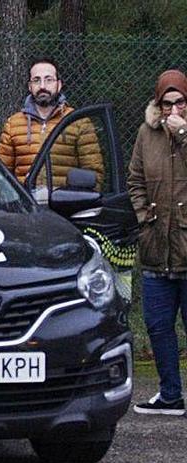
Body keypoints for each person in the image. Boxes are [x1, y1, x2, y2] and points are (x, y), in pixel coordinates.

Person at [128, 69, 187, 416]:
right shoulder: (145, 133)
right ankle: (169, 395)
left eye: (180, 102)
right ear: (158, 104)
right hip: (155, 248)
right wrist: (142, 216)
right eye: (167, 104)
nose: (173, 109)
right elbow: (135, 178)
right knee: (159, 326)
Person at [0, 57, 103, 188]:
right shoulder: (13, 124)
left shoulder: (77, 121)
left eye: (49, 80)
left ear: (59, 85)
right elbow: (0, 176)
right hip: (27, 205)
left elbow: (93, 174)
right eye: (36, 80)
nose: (42, 86)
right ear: (30, 86)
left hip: (64, 205)